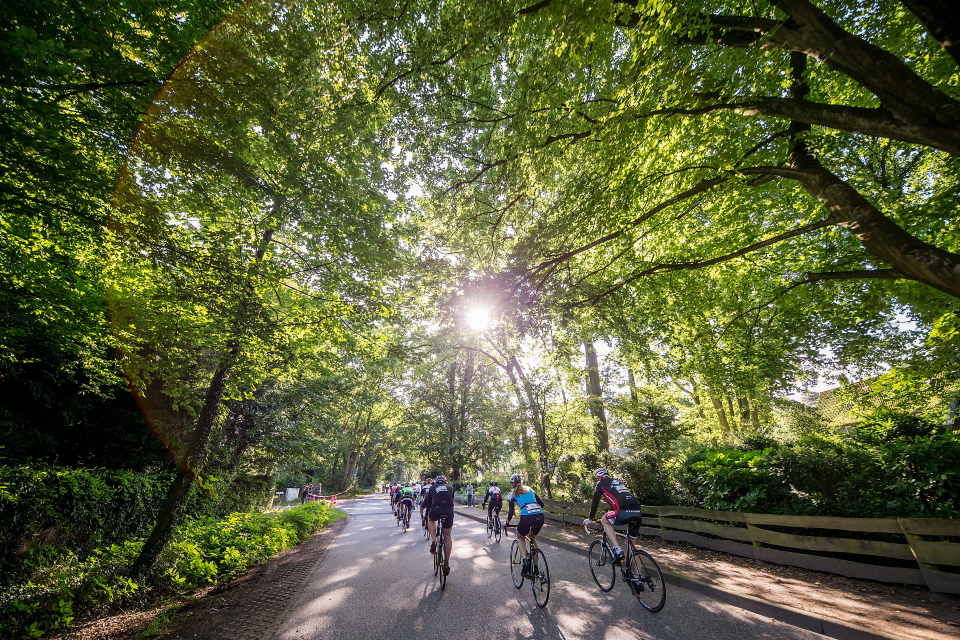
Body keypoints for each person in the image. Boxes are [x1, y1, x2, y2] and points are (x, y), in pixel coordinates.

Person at [583, 467, 643, 564]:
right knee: (632, 548)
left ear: (600, 477)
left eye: (597, 478)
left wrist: (590, 518)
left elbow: (595, 502)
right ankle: (637, 577)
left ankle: (617, 549)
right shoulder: (618, 483)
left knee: (604, 520)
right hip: (637, 512)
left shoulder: (601, 484)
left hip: (622, 511)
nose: (597, 480)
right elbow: (617, 501)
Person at [505, 474, 545, 578]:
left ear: (513, 484)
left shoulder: (513, 494)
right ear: (521, 481)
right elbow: (542, 504)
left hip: (526, 515)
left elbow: (510, 512)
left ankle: (525, 561)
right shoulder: (530, 490)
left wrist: (507, 523)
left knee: (520, 536)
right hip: (539, 516)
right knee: (532, 538)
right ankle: (535, 569)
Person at [422, 474, 454, 575]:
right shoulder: (450, 487)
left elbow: (429, 505)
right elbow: (451, 499)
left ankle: (434, 541)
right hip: (448, 511)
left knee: (431, 519)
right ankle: (446, 563)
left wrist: (426, 518)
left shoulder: (432, 487)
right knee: (448, 536)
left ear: (436, 482)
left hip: (436, 509)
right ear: (445, 482)